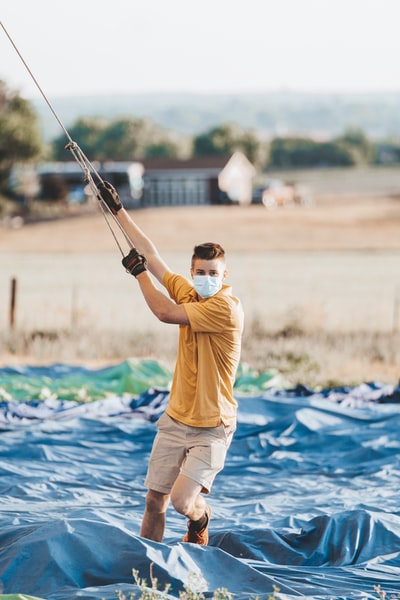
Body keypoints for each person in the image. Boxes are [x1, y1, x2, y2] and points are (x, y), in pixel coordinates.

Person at [98, 181, 244, 545]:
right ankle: (151, 568)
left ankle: (200, 518)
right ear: (193, 272)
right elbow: (152, 253)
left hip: (213, 426)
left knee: (181, 502)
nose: (206, 278)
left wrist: (139, 275)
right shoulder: (190, 291)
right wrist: (118, 210)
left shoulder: (225, 308)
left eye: (214, 273)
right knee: (154, 501)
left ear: (224, 277)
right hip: (177, 417)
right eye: (201, 272)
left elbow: (164, 312)